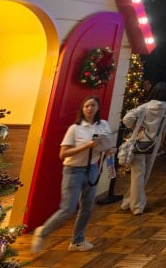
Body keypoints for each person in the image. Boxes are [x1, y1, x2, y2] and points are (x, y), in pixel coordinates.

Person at [31, 96, 114, 254]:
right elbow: (63, 154)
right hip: (73, 171)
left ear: (98, 108)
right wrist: (86, 146)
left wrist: (110, 149)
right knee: (67, 209)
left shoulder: (103, 125)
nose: (89, 108)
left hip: (92, 169)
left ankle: (77, 240)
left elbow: (108, 144)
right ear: (82, 109)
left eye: (93, 105)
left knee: (87, 207)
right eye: (86, 106)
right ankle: (42, 233)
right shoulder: (75, 129)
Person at [121, 82, 166, 214]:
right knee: (144, 174)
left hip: (139, 142)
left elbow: (126, 119)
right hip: (153, 145)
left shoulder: (145, 107)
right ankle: (130, 201)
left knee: (137, 175)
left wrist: (136, 128)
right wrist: (161, 142)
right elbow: (165, 128)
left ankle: (136, 205)